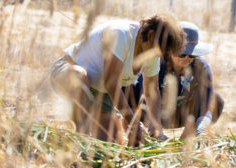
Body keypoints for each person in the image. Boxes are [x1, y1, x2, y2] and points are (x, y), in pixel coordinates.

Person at [50, 14, 185, 146]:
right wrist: (132, 120)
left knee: (110, 144)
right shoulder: (121, 34)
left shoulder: (152, 54)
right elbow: (111, 82)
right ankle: (79, 142)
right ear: (150, 36)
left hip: (101, 92)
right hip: (67, 73)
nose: (157, 57)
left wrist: (157, 131)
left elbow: (152, 92)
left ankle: (87, 147)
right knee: (80, 79)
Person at [127, 21, 224, 138]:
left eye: (192, 55)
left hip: (180, 115)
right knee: (128, 90)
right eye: (182, 54)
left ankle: (186, 142)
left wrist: (202, 130)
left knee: (216, 100)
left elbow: (206, 107)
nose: (187, 59)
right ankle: (138, 134)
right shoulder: (156, 62)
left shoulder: (201, 67)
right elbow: (146, 95)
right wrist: (154, 127)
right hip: (150, 113)